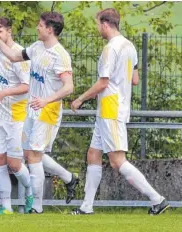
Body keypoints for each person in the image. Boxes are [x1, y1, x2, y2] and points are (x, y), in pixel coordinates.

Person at [70, 8, 169, 215]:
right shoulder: (130, 46)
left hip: (110, 109)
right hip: (114, 107)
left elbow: (103, 82)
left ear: (105, 24)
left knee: (117, 161)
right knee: (93, 154)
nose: (98, 28)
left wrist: (79, 99)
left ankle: (156, 199)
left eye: (98, 24)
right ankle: (86, 207)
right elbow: (135, 79)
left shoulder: (110, 49)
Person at [0, 12, 79, 214]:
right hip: (33, 108)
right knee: (29, 153)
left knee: (34, 157)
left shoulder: (60, 55)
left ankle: (36, 208)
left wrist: (46, 100)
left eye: (40, 25)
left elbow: (69, 87)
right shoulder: (37, 47)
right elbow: (14, 56)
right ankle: (69, 177)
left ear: (50, 29)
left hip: (48, 111)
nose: (37, 28)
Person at [0, 17, 33, 214]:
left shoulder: (19, 54)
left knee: (14, 164)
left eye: (0, 33)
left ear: (9, 32)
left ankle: (30, 190)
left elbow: (25, 86)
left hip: (16, 116)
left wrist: (3, 93)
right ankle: (6, 206)